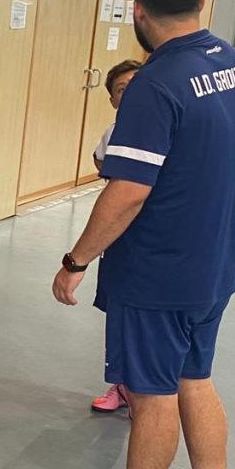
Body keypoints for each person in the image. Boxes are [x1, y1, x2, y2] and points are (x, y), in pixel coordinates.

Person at [52, 0, 235, 469]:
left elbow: (129, 191)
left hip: (158, 271)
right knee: (195, 378)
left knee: (151, 392)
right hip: (214, 264)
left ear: (138, 11)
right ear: (201, 3)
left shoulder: (155, 84)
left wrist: (76, 260)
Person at [88, 59, 143, 415]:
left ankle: (146, 390)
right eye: (122, 89)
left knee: (147, 315)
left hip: (156, 239)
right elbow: (100, 162)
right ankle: (121, 385)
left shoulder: (167, 127)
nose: (131, 93)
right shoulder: (113, 133)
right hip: (121, 236)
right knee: (118, 310)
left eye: (137, 84)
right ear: (112, 100)